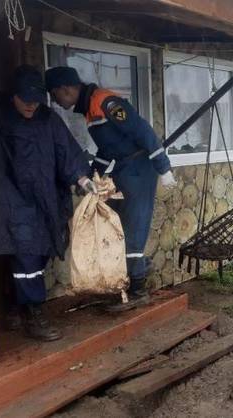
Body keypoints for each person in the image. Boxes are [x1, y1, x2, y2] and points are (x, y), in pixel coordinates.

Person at [44, 67, 176, 312]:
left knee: (133, 225)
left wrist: (163, 168)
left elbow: (142, 131)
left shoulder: (105, 102)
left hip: (139, 167)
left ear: (66, 89)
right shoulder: (90, 110)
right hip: (123, 168)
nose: (57, 102)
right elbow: (106, 150)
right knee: (114, 222)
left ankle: (138, 289)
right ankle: (133, 271)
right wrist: (93, 176)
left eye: (55, 95)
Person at [0, 65, 94, 341]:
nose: (31, 104)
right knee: (26, 255)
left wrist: (83, 179)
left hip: (47, 199)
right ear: (13, 96)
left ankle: (14, 306)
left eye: (35, 99)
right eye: (25, 99)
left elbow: (67, 152)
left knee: (38, 253)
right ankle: (34, 314)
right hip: (14, 199)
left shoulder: (48, 119)